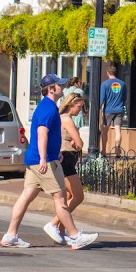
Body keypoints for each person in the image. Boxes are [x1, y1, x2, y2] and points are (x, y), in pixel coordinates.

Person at [0, 74, 98, 250]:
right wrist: (45, 158)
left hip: (36, 159)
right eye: (59, 85)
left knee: (25, 197)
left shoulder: (47, 106)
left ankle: (10, 235)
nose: (62, 87)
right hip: (43, 162)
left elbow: (48, 134)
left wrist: (54, 153)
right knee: (60, 199)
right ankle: (75, 236)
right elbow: (42, 132)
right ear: (51, 89)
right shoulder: (48, 107)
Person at [44, 92, 86, 244]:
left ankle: (61, 232)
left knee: (68, 196)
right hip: (66, 160)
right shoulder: (67, 119)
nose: (80, 110)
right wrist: (78, 141)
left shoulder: (61, 118)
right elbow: (79, 143)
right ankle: (53, 224)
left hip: (66, 158)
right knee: (78, 196)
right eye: (78, 106)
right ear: (70, 105)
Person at [100, 64, 127, 157]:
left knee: (105, 131)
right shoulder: (122, 84)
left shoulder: (105, 84)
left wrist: (99, 109)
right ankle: (117, 151)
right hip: (119, 110)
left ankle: (103, 151)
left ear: (108, 73)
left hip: (107, 110)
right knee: (118, 131)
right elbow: (125, 97)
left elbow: (102, 99)